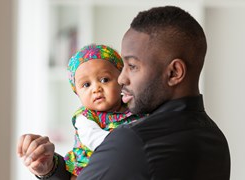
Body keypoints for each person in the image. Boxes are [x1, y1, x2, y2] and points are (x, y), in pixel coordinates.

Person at [17, 5, 231, 180]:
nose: (122, 79)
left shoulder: (132, 141)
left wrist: (52, 173)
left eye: (132, 66)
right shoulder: (214, 139)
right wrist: (52, 169)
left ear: (174, 72)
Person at [65, 44, 144, 178]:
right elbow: (95, 140)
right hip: (89, 169)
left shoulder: (133, 106)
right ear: (76, 92)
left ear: (121, 80)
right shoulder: (85, 117)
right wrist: (130, 144)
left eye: (104, 80)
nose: (96, 88)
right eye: (86, 85)